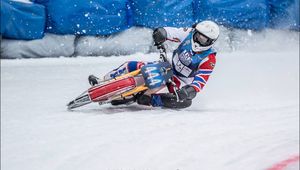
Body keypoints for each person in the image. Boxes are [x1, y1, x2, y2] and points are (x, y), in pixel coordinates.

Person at [88, 20, 220, 108]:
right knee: (132, 65)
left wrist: (190, 91)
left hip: (179, 82)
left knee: (184, 102)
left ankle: (149, 99)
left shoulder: (209, 59)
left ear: (210, 42)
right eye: (198, 35)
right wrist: (162, 32)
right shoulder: (188, 34)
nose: (198, 39)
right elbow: (172, 32)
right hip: (167, 66)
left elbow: (201, 80)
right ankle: (103, 80)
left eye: (203, 39)